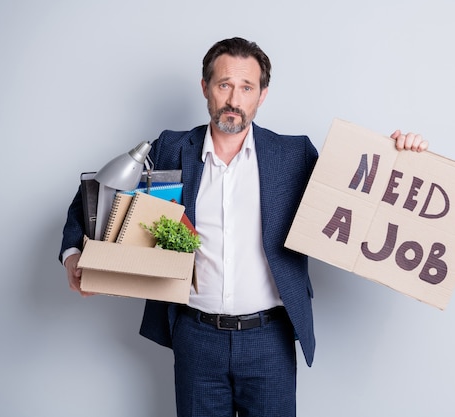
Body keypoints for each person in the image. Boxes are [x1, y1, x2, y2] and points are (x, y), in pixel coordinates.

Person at [60, 37, 428, 417]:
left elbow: (359, 201)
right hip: (195, 336)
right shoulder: (171, 148)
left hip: (269, 339)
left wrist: (400, 157)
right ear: (205, 88)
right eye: (224, 85)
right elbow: (97, 195)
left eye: (247, 87)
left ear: (262, 95)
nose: (234, 99)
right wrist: (73, 255)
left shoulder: (293, 155)